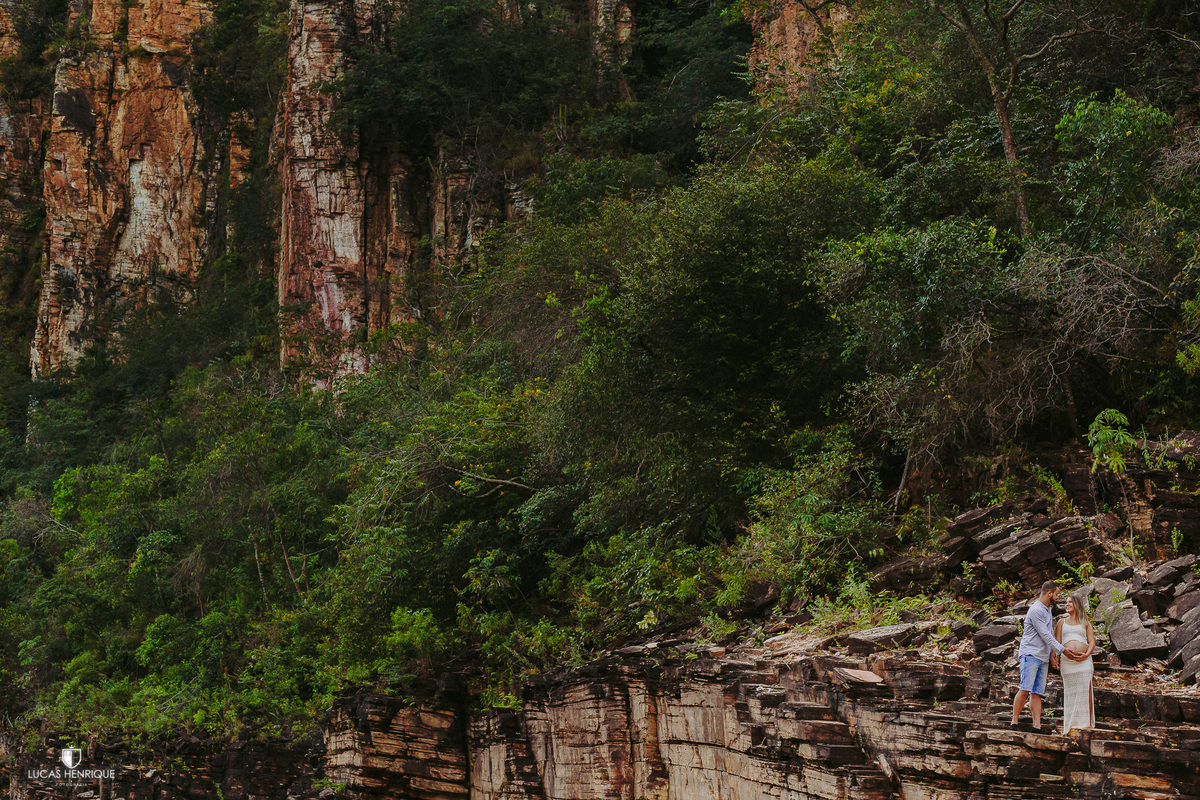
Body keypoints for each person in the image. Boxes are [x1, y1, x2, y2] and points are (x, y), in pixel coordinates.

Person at [1009, 580, 1085, 731]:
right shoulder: (1036, 610)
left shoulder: (1047, 609)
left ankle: (1037, 726)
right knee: (1025, 689)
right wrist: (1062, 650)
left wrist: (1052, 654)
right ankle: (1014, 722)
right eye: (1056, 594)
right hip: (1030, 654)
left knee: (1037, 692)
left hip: (1042, 657)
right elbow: (1044, 634)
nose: (1057, 598)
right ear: (1049, 593)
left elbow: (1050, 632)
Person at [1053, 593, 1096, 733]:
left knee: (1086, 689)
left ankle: (1087, 724)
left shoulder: (1085, 622)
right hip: (1068, 662)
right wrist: (1054, 657)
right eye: (1066, 602)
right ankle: (1072, 724)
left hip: (1084, 662)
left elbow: (1092, 642)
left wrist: (1086, 655)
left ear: (1077, 604)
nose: (1067, 604)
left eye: (1070, 602)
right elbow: (1056, 642)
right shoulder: (1061, 622)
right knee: (1071, 692)